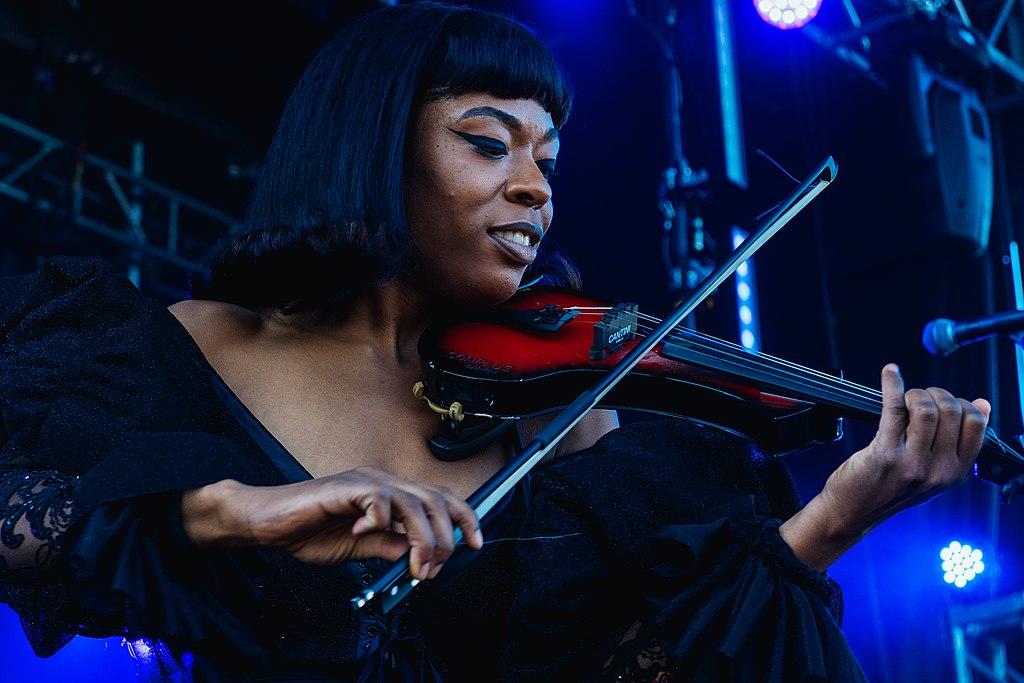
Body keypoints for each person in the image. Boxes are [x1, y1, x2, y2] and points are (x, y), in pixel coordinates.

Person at [0, 2, 992, 681]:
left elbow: (632, 668)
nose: (535, 188)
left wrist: (832, 520)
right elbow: (23, 524)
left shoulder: (573, 422)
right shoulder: (177, 350)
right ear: (374, 144)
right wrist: (235, 510)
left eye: (547, 159)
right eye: (487, 143)